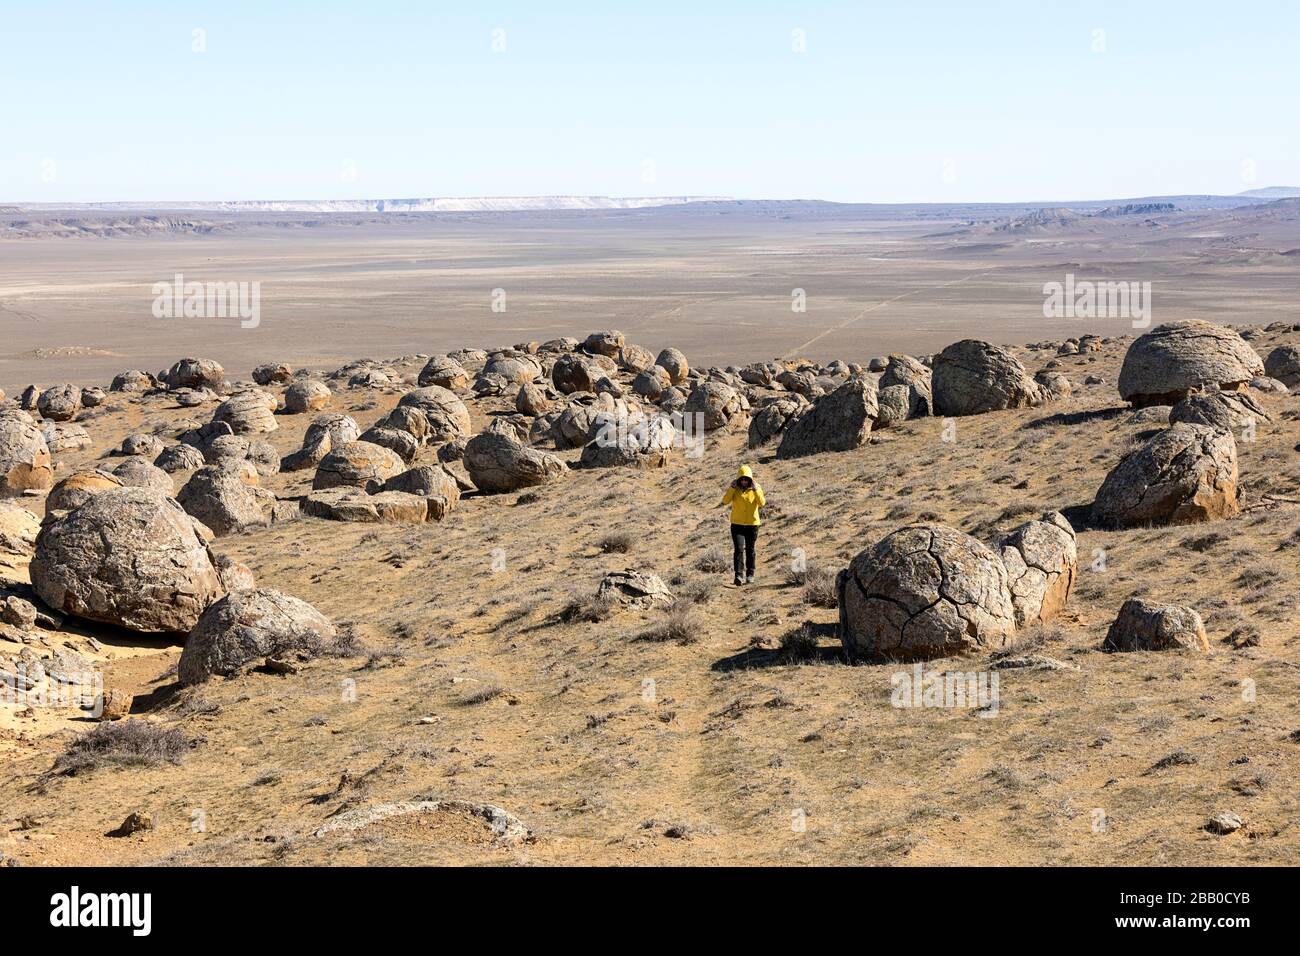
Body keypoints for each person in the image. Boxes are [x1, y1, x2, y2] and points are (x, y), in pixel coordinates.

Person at [719, 465, 765, 586]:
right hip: (737, 525)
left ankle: (750, 574)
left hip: (752, 525)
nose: (744, 482)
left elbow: (762, 503)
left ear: (750, 479)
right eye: (742, 479)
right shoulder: (735, 489)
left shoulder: (757, 488)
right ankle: (738, 575)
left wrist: (755, 490)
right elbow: (725, 501)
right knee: (738, 549)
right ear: (739, 479)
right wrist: (731, 488)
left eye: (746, 479)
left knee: (750, 550)